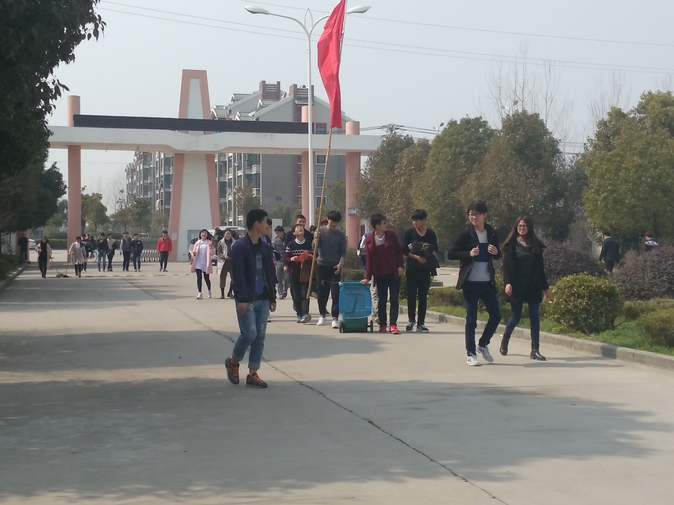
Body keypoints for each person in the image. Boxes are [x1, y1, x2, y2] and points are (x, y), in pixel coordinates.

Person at [224, 209, 277, 389]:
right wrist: (243, 299)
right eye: (266, 222)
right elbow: (237, 275)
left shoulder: (266, 247)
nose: (268, 225)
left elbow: (270, 273)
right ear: (256, 224)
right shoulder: (240, 247)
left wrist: (272, 297)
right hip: (246, 299)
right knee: (249, 334)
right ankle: (233, 361)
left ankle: (253, 373)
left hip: (263, 298)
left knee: (259, 336)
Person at [448, 200, 502, 366]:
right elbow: (451, 253)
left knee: (496, 316)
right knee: (471, 320)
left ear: (484, 215)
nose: (473, 218)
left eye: (477, 214)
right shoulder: (466, 234)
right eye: (471, 214)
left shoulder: (491, 233)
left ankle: (483, 344)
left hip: (487, 283)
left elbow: (498, 255)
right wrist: (468, 253)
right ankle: (471, 354)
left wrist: (496, 252)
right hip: (470, 283)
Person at [500, 216, 553, 361]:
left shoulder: (535, 245)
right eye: (519, 226)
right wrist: (507, 283)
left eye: (524, 226)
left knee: (535, 317)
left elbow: (540, 270)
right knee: (515, 317)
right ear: (516, 227)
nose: (522, 228)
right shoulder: (511, 245)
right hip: (517, 286)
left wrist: (546, 289)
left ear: (529, 228)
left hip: (533, 286)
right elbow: (506, 267)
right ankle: (505, 339)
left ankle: (535, 350)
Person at [362, 214, 404, 334]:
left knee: (394, 299)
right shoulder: (370, 240)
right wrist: (367, 277)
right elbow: (369, 260)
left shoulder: (391, 235)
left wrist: (400, 266)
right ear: (377, 226)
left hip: (393, 272)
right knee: (382, 300)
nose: (386, 225)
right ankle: (383, 324)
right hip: (380, 274)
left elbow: (399, 251)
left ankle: (393, 325)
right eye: (384, 223)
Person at [402, 209, 438, 333]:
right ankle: (411, 320)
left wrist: (425, 252)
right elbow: (404, 250)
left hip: (425, 269)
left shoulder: (430, 234)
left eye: (417, 220)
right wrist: (417, 257)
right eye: (413, 220)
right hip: (412, 268)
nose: (414, 223)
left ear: (424, 220)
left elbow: (435, 250)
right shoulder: (409, 233)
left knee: (423, 296)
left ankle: (421, 322)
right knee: (411, 295)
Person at [315, 210, 347, 328]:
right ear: (328, 219)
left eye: (336, 222)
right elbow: (315, 248)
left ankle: (335, 318)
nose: (334, 224)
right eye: (332, 221)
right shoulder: (321, 231)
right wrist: (315, 238)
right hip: (322, 265)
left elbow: (343, 251)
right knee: (322, 292)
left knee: (335, 293)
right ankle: (322, 315)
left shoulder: (340, 235)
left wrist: (340, 263)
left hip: (335, 267)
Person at [285, 223, 314, 323]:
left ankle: (305, 313)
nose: (300, 228)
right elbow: (286, 258)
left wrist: (309, 257)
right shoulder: (291, 245)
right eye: (298, 227)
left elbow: (313, 255)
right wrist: (291, 259)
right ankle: (299, 314)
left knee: (305, 293)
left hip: (305, 273)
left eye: (301, 227)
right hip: (294, 273)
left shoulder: (308, 244)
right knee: (296, 294)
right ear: (294, 233)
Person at [358, 230, 379, 324]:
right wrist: (368, 271)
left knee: (380, 293)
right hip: (373, 270)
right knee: (375, 292)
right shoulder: (367, 237)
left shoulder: (387, 236)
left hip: (385, 270)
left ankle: (378, 314)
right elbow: (361, 252)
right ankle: (376, 314)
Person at [191, 229, 216, 299]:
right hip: (198, 262)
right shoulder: (197, 242)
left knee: (206, 278)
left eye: (205, 233)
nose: (203, 234)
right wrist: (194, 253)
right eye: (202, 233)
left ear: (207, 235)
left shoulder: (209, 243)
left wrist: (211, 247)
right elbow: (194, 251)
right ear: (200, 234)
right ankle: (200, 293)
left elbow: (212, 253)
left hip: (206, 262)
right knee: (199, 278)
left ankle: (209, 290)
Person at [217, 229, 236, 298]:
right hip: (223, 262)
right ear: (224, 234)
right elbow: (218, 252)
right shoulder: (221, 242)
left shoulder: (235, 242)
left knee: (234, 278)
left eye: (229, 234)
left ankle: (230, 292)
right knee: (222, 278)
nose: (228, 235)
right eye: (227, 233)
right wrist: (224, 256)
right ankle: (222, 294)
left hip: (232, 261)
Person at [272, 226, 289, 299]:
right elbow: (273, 251)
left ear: (282, 232)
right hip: (278, 262)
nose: (277, 234)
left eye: (278, 233)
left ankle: (285, 290)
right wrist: (274, 260)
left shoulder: (288, 239)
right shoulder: (275, 241)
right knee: (279, 279)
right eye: (276, 233)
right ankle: (280, 293)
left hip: (286, 262)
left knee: (287, 278)